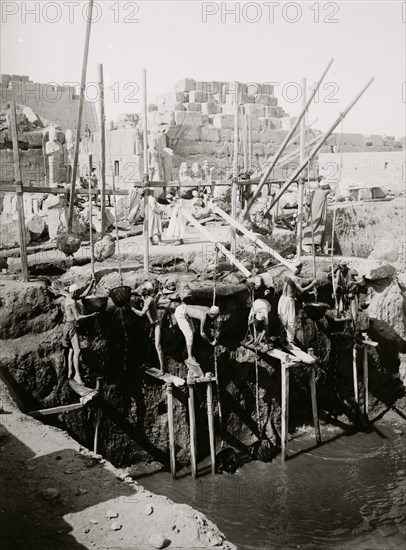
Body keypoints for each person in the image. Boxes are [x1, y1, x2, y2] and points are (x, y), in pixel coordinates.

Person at [59, 280, 98, 385]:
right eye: (77, 292)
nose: (78, 294)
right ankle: (77, 375)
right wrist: (91, 315)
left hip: (66, 326)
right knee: (77, 351)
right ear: (74, 292)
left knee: (71, 350)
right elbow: (78, 317)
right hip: (72, 326)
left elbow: (84, 294)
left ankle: (69, 372)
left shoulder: (69, 297)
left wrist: (90, 284)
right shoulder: (72, 302)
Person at [278, 262, 317, 346]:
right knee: (290, 320)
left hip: (282, 299)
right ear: (298, 268)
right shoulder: (294, 278)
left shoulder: (287, 276)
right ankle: (290, 341)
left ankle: (282, 338)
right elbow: (302, 290)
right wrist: (313, 283)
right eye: (300, 268)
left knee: (283, 319)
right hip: (288, 301)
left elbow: (290, 288)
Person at [174, 296, 220, 367]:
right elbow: (202, 333)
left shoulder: (208, 309)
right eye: (215, 317)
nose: (215, 319)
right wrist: (211, 342)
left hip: (184, 309)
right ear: (212, 314)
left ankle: (185, 352)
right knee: (189, 335)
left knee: (192, 330)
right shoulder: (203, 316)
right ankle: (189, 358)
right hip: (180, 314)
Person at [131, 282, 165, 375]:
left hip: (157, 324)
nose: (140, 291)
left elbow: (142, 313)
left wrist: (132, 309)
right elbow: (136, 293)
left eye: (142, 290)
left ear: (146, 292)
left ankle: (162, 368)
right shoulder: (145, 298)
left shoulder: (148, 300)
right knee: (148, 343)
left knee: (157, 346)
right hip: (151, 325)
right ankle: (147, 362)